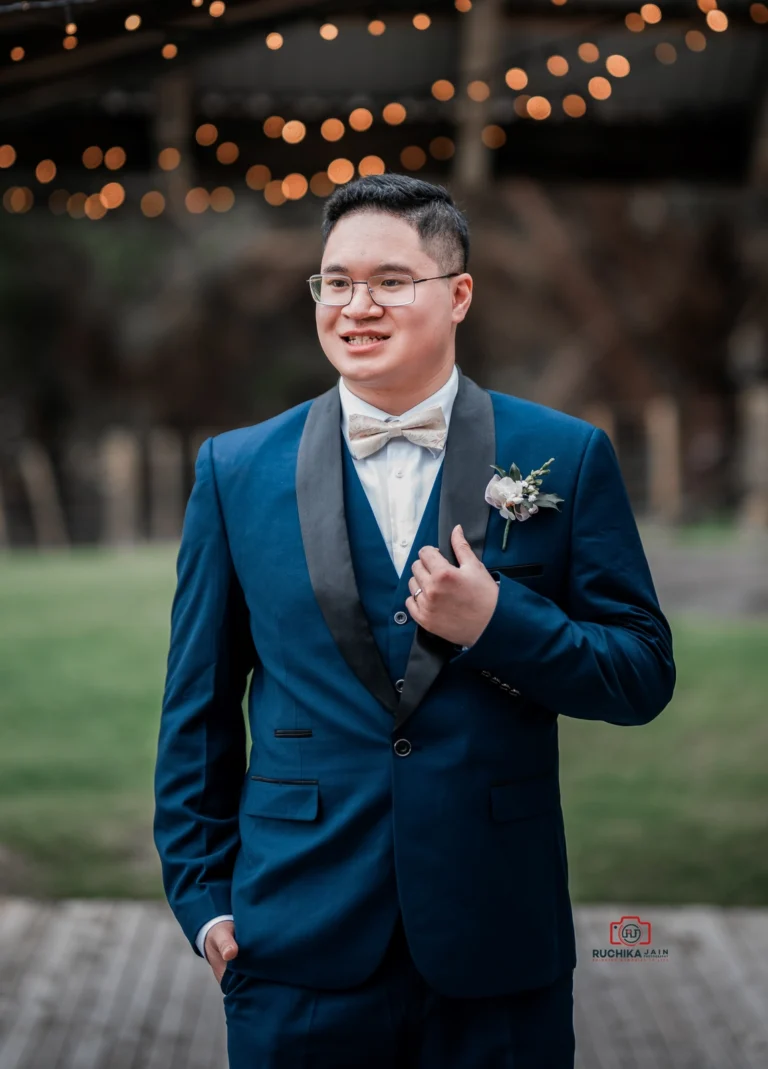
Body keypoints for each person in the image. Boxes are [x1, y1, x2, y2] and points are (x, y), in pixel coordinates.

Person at [153, 173, 675, 1068]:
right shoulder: (235, 471)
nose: (357, 306)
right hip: (292, 947)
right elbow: (196, 709)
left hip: (497, 941)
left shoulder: (564, 454)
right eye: (336, 282)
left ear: (458, 293)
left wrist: (500, 621)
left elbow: (639, 674)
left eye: (392, 280)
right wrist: (207, 904)